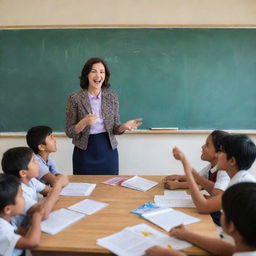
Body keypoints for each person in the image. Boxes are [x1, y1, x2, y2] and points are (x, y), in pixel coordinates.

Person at [65, 57, 142, 175]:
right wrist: (83, 123)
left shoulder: (112, 97)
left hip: (108, 150)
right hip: (84, 152)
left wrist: (124, 127)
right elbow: (69, 132)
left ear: (105, 76)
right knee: (84, 189)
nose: (98, 75)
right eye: (93, 71)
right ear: (86, 74)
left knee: (109, 189)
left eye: (102, 72)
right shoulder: (75, 98)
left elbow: (115, 128)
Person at [144, 182, 256, 256]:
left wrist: (170, 254)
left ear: (231, 225)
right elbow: (228, 250)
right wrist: (188, 235)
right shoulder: (246, 249)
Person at [164, 130, 230, 226]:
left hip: (221, 218)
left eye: (207, 145)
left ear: (218, 153)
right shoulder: (211, 167)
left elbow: (215, 191)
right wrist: (178, 177)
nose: (202, 147)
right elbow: (196, 178)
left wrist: (178, 183)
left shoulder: (224, 171)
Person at [1, 147, 68, 229]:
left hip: (33, 225)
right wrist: (57, 185)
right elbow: (43, 213)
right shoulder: (18, 192)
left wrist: (54, 191)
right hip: (22, 232)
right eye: (33, 161)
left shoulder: (31, 180)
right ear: (23, 173)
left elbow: (49, 191)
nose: (37, 162)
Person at [0, 173, 43, 256]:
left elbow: (16, 232)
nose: (24, 198)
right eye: (21, 196)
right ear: (8, 209)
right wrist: (36, 218)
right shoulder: (2, 230)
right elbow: (32, 243)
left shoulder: (6, 220)